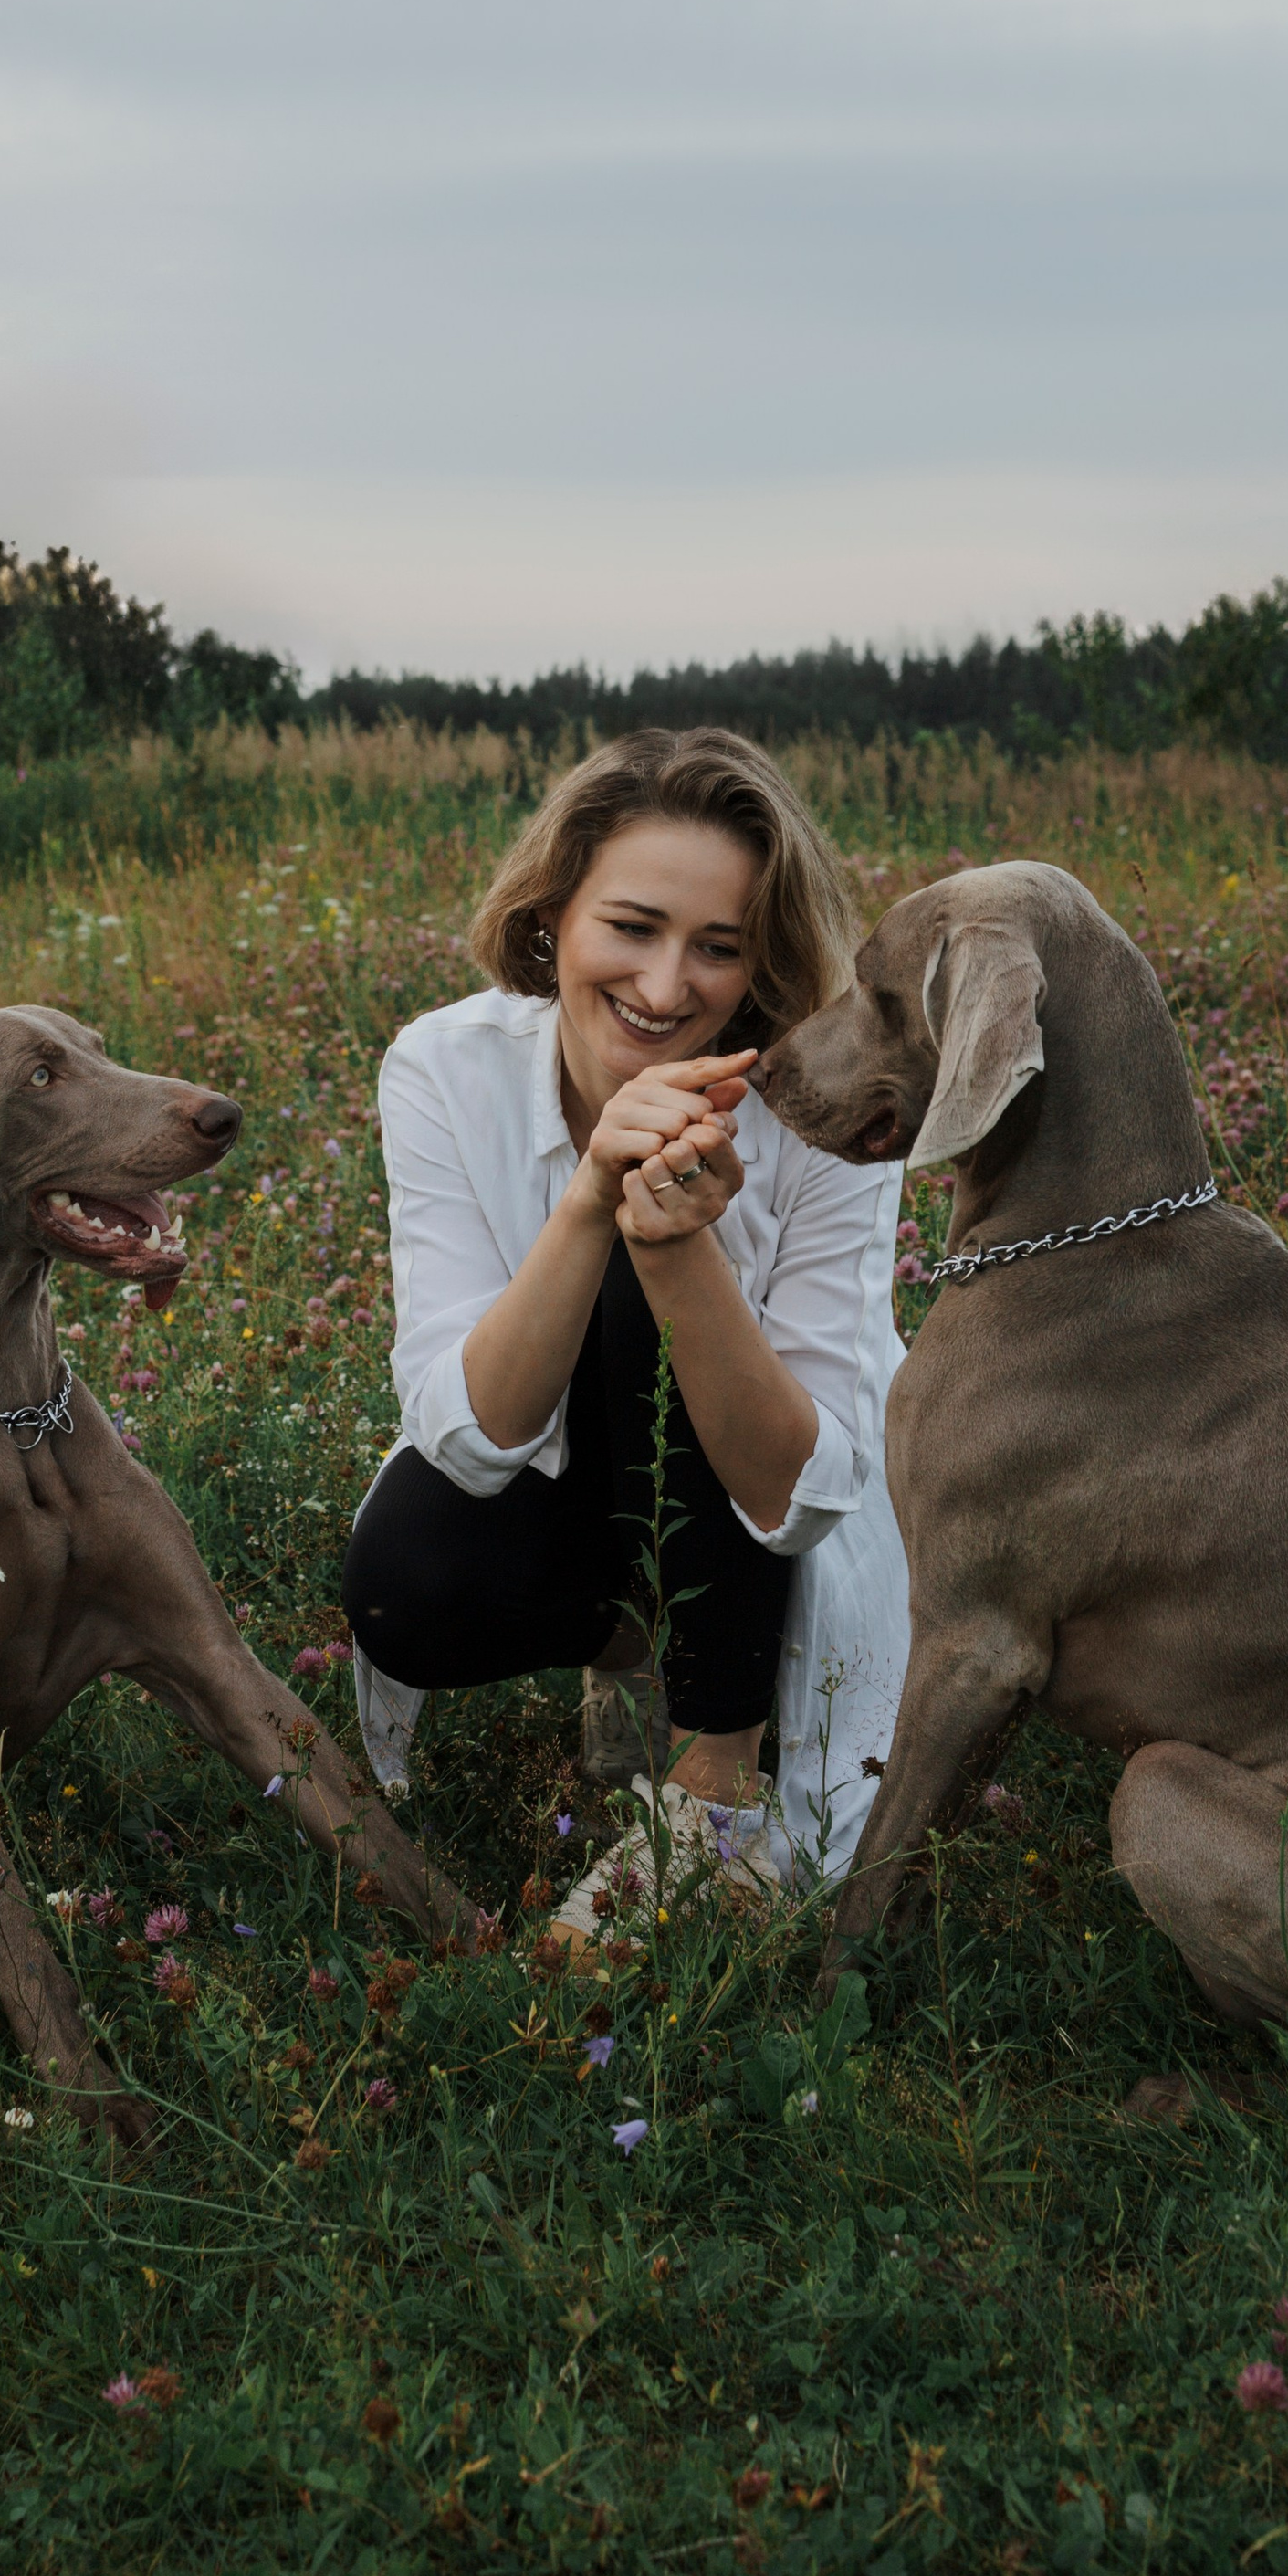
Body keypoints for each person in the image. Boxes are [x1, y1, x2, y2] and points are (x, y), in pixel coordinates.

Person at [342, 727, 908, 1927]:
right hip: (561, 1465)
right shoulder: (445, 1066)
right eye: (633, 928)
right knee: (403, 1584)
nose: (665, 989)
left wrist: (676, 1249)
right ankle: (633, 1652)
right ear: (551, 918)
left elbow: (799, 1492)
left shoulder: (826, 1111)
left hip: (767, 1513)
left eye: (718, 948)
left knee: (667, 1283)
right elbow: (463, 1437)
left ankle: (716, 1786)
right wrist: (592, 1197)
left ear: (761, 964)